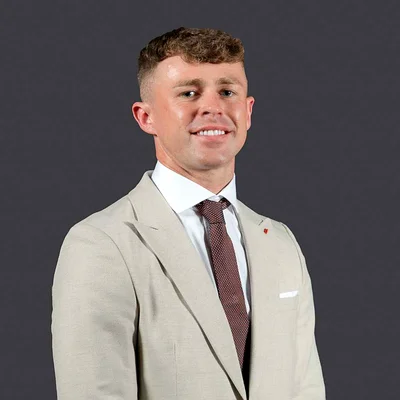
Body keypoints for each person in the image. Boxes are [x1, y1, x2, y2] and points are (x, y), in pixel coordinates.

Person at [51, 27, 325, 399]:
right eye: (189, 93)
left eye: (227, 92)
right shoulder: (101, 244)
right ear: (145, 117)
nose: (213, 108)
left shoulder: (281, 243)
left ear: (247, 112)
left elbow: (306, 387)